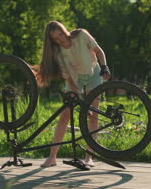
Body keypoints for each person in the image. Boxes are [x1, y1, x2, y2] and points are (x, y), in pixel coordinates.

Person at [33, 21, 111, 168]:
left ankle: (89, 157)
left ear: (64, 30)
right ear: (52, 41)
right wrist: (81, 98)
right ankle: (52, 157)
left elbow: (99, 51)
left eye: (61, 34)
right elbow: (68, 77)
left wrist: (104, 67)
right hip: (74, 81)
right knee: (65, 115)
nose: (61, 39)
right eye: (56, 38)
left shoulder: (81, 35)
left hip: (93, 76)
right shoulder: (58, 53)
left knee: (92, 117)